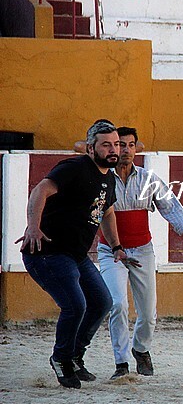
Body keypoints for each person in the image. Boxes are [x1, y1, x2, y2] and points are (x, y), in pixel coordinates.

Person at [16, 120, 136, 388]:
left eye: (116, 144)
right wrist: (33, 227)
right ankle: (61, 359)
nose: (113, 150)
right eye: (106, 145)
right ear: (90, 148)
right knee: (75, 305)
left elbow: (106, 212)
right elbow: (40, 190)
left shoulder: (108, 177)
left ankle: (74, 356)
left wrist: (116, 246)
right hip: (47, 251)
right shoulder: (74, 168)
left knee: (102, 302)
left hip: (75, 255)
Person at [97, 126, 183, 380]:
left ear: (136, 149)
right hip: (110, 251)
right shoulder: (101, 179)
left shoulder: (148, 179)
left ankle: (140, 349)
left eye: (130, 145)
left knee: (148, 314)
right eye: (120, 145)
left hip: (142, 250)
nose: (125, 150)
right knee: (117, 304)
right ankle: (121, 362)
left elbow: (171, 206)